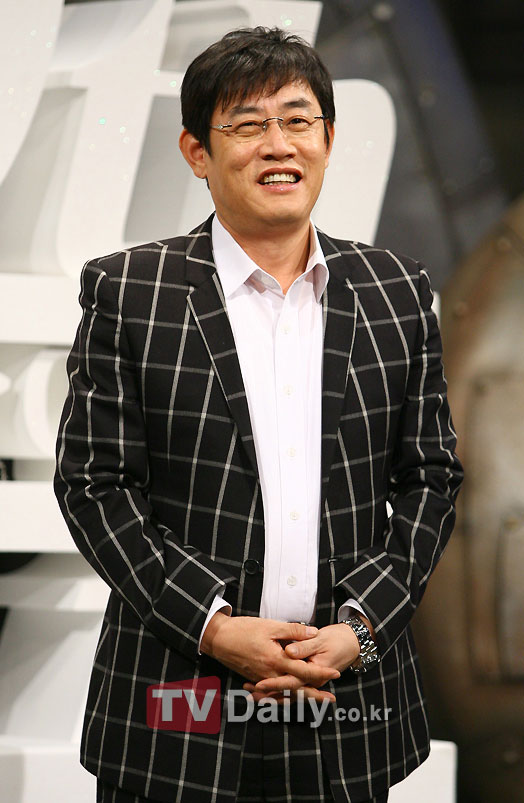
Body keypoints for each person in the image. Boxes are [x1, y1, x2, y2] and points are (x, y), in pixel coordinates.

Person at [54, 27, 463, 803]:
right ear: (197, 152)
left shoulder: (396, 290)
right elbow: (96, 487)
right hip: (179, 699)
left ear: (328, 140)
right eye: (247, 125)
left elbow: (431, 478)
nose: (278, 144)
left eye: (298, 120)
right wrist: (213, 626)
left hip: (345, 702)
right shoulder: (131, 291)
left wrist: (360, 628)